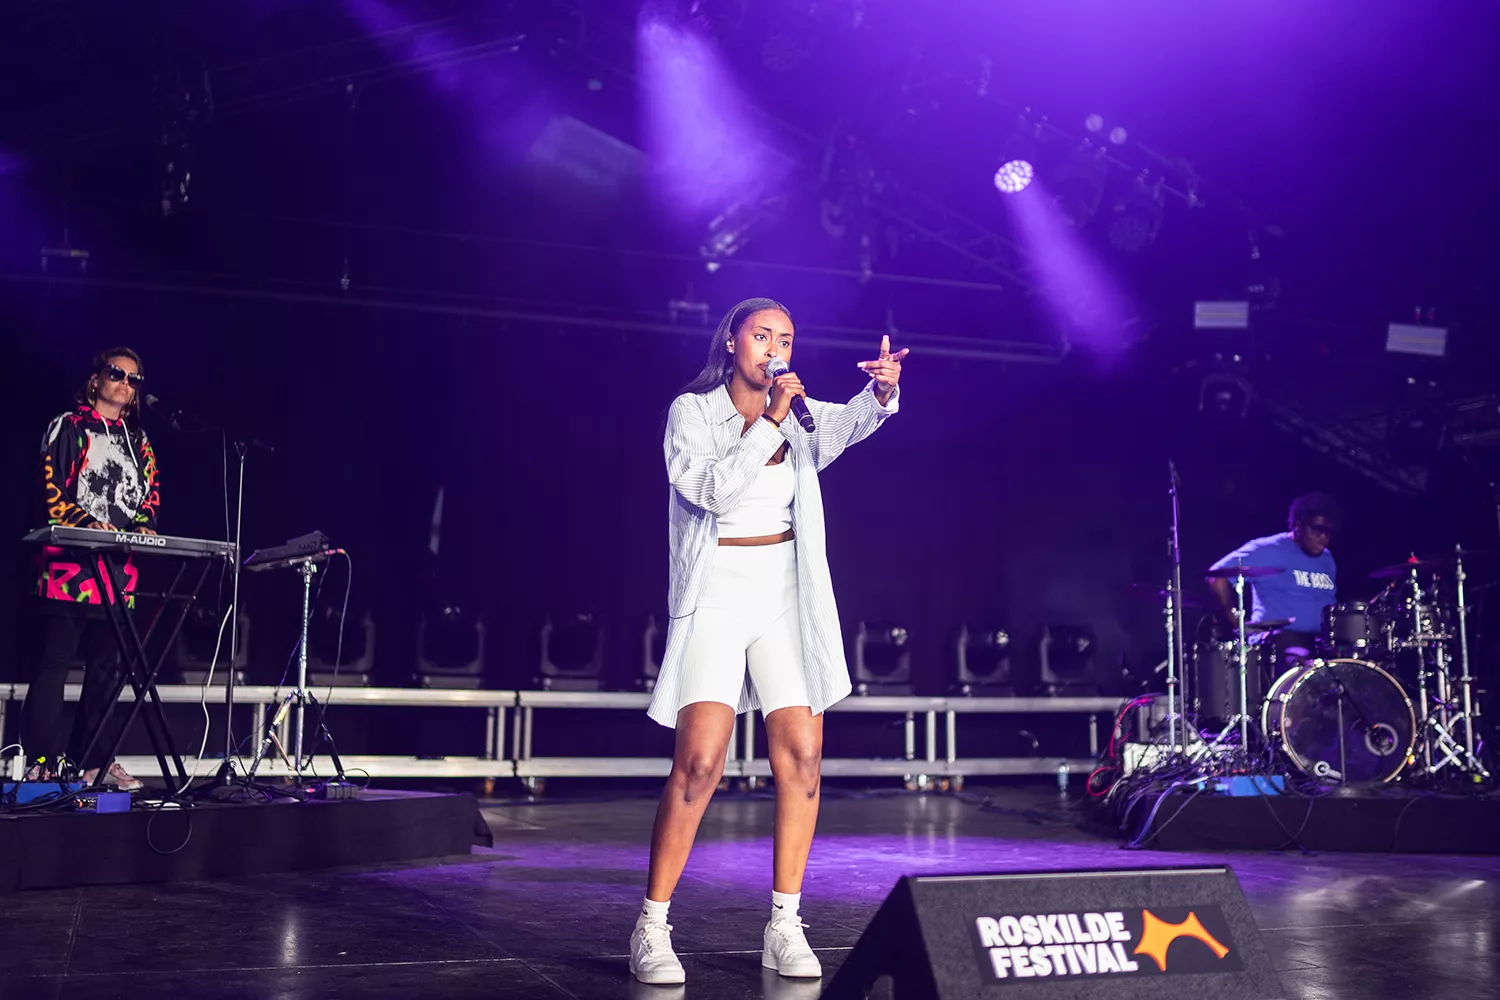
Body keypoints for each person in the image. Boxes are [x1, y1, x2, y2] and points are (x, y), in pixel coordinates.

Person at [630, 298, 907, 985]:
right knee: (700, 763)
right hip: (716, 593)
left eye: (785, 338)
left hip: (784, 591)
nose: (775, 349)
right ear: (732, 341)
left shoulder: (800, 415)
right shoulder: (693, 413)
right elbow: (711, 491)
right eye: (762, 335)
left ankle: (784, 923)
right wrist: (770, 424)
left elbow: (847, 425)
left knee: (804, 759)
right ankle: (652, 926)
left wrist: (881, 392)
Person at [19, 347, 160, 790]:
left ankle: (94, 762)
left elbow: (150, 494)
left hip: (118, 574)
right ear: (96, 379)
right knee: (54, 664)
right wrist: (85, 523)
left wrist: (143, 526)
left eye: (133, 379)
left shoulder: (139, 441)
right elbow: (52, 488)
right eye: (116, 373)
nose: (125, 382)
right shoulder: (68, 426)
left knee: (107, 671)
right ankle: (43, 764)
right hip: (68, 570)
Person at [1203, 492, 1338, 718]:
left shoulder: (1327, 559)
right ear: (1298, 525)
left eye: (1329, 531)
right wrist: (1234, 618)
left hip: (1321, 642)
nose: (1324, 537)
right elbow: (1216, 576)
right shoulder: (1268, 548)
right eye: (1317, 529)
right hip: (1280, 641)